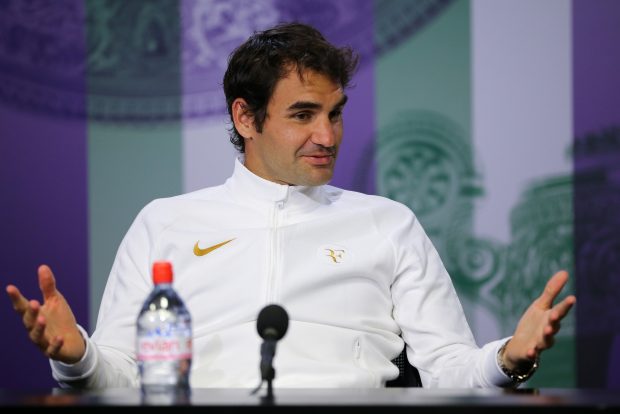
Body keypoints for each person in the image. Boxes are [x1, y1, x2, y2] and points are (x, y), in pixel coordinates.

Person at [6, 22, 575, 389]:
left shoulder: (387, 223)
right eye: (303, 115)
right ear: (245, 118)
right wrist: (76, 355)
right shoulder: (166, 223)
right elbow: (121, 378)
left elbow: (450, 369)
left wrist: (507, 358)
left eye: (335, 113)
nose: (328, 135)